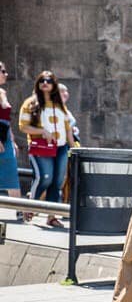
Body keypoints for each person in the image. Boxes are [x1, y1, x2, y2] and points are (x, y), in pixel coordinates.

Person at [18, 71, 75, 228]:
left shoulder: (60, 105)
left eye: (49, 80)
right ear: (38, 83)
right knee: (44, 178)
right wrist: (42, 132)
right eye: (42, 80)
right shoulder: (31, 102)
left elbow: (68, 128)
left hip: (61, 147)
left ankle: (51, 216)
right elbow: (23, 126)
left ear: (54, 84)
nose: (45, 83)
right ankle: (30, 207)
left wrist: (75, 148)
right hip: (41, 146)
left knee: (57, 182)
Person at [0, 62, 23, 220]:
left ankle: (20, 210)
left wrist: (12, 140)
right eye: (3, 71)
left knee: (11, 174)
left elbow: (6, 120)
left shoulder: (3, 92)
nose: (6, 74)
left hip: (5, 139)